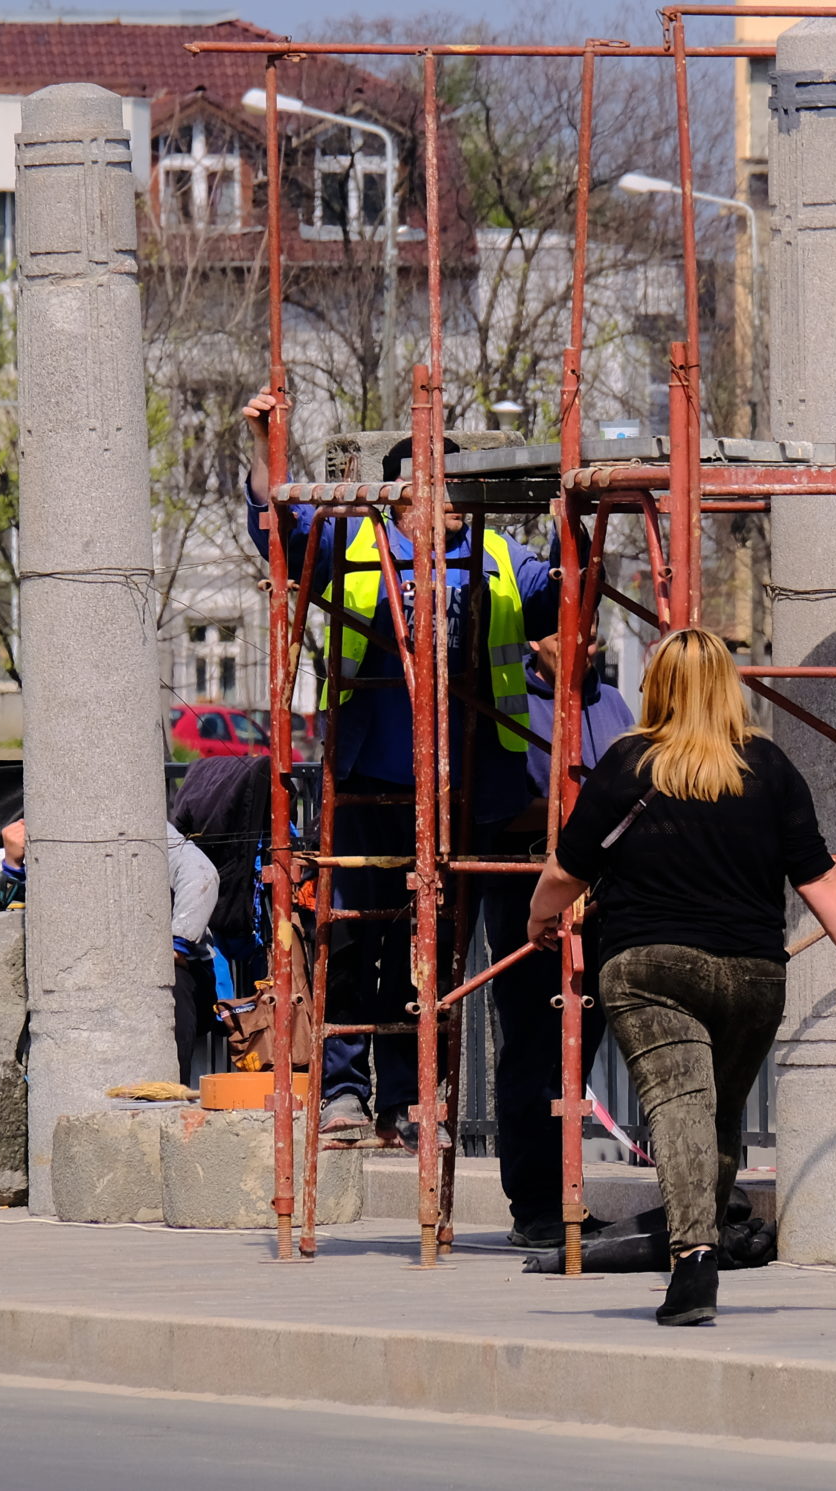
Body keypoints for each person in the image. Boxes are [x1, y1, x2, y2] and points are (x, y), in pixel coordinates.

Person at [527, 629, 836, 1327]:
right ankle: (702, 1242)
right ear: (730, 686)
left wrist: (541, 918)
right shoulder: (770, 768)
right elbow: (817, 872)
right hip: (754, 975)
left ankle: (693, 1259)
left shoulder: (629, 763)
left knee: (680, 1106)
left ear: (656, 685)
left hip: (650, 968)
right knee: (715, 1114)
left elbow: (567, 869)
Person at [242, 388, 558, 1149]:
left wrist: (580, 512)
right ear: (398, 497)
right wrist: (264, 446)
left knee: (437, 957)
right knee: (352, 937)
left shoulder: (497, 557)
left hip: (468, 793)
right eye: (429, 484)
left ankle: (418, 1095)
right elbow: (279, 525)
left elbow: (564, 591)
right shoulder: (356, 548)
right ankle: (347, 1093)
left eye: (453, 484)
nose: (445, 499)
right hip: (369, 781)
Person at [472, 629, 635, 1247]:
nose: (583, 643)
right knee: (535, 1046)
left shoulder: (613, 704)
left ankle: (567, 1195)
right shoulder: (506, 704)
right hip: (530, 886)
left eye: (592, 631)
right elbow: (490, 809)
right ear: (531, 638)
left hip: (600, 889)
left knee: (581, 1046)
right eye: (565, 629)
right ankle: (537, 1204)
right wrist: (577, 817)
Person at [0, 816, 222, 1071]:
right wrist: (13, 865)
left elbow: (202, 876)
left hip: (170, 976)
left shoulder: (141, 822)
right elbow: (18, 917)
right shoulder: (45, 827)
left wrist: (176, 945)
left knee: (169, 1001)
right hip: (79, 976)